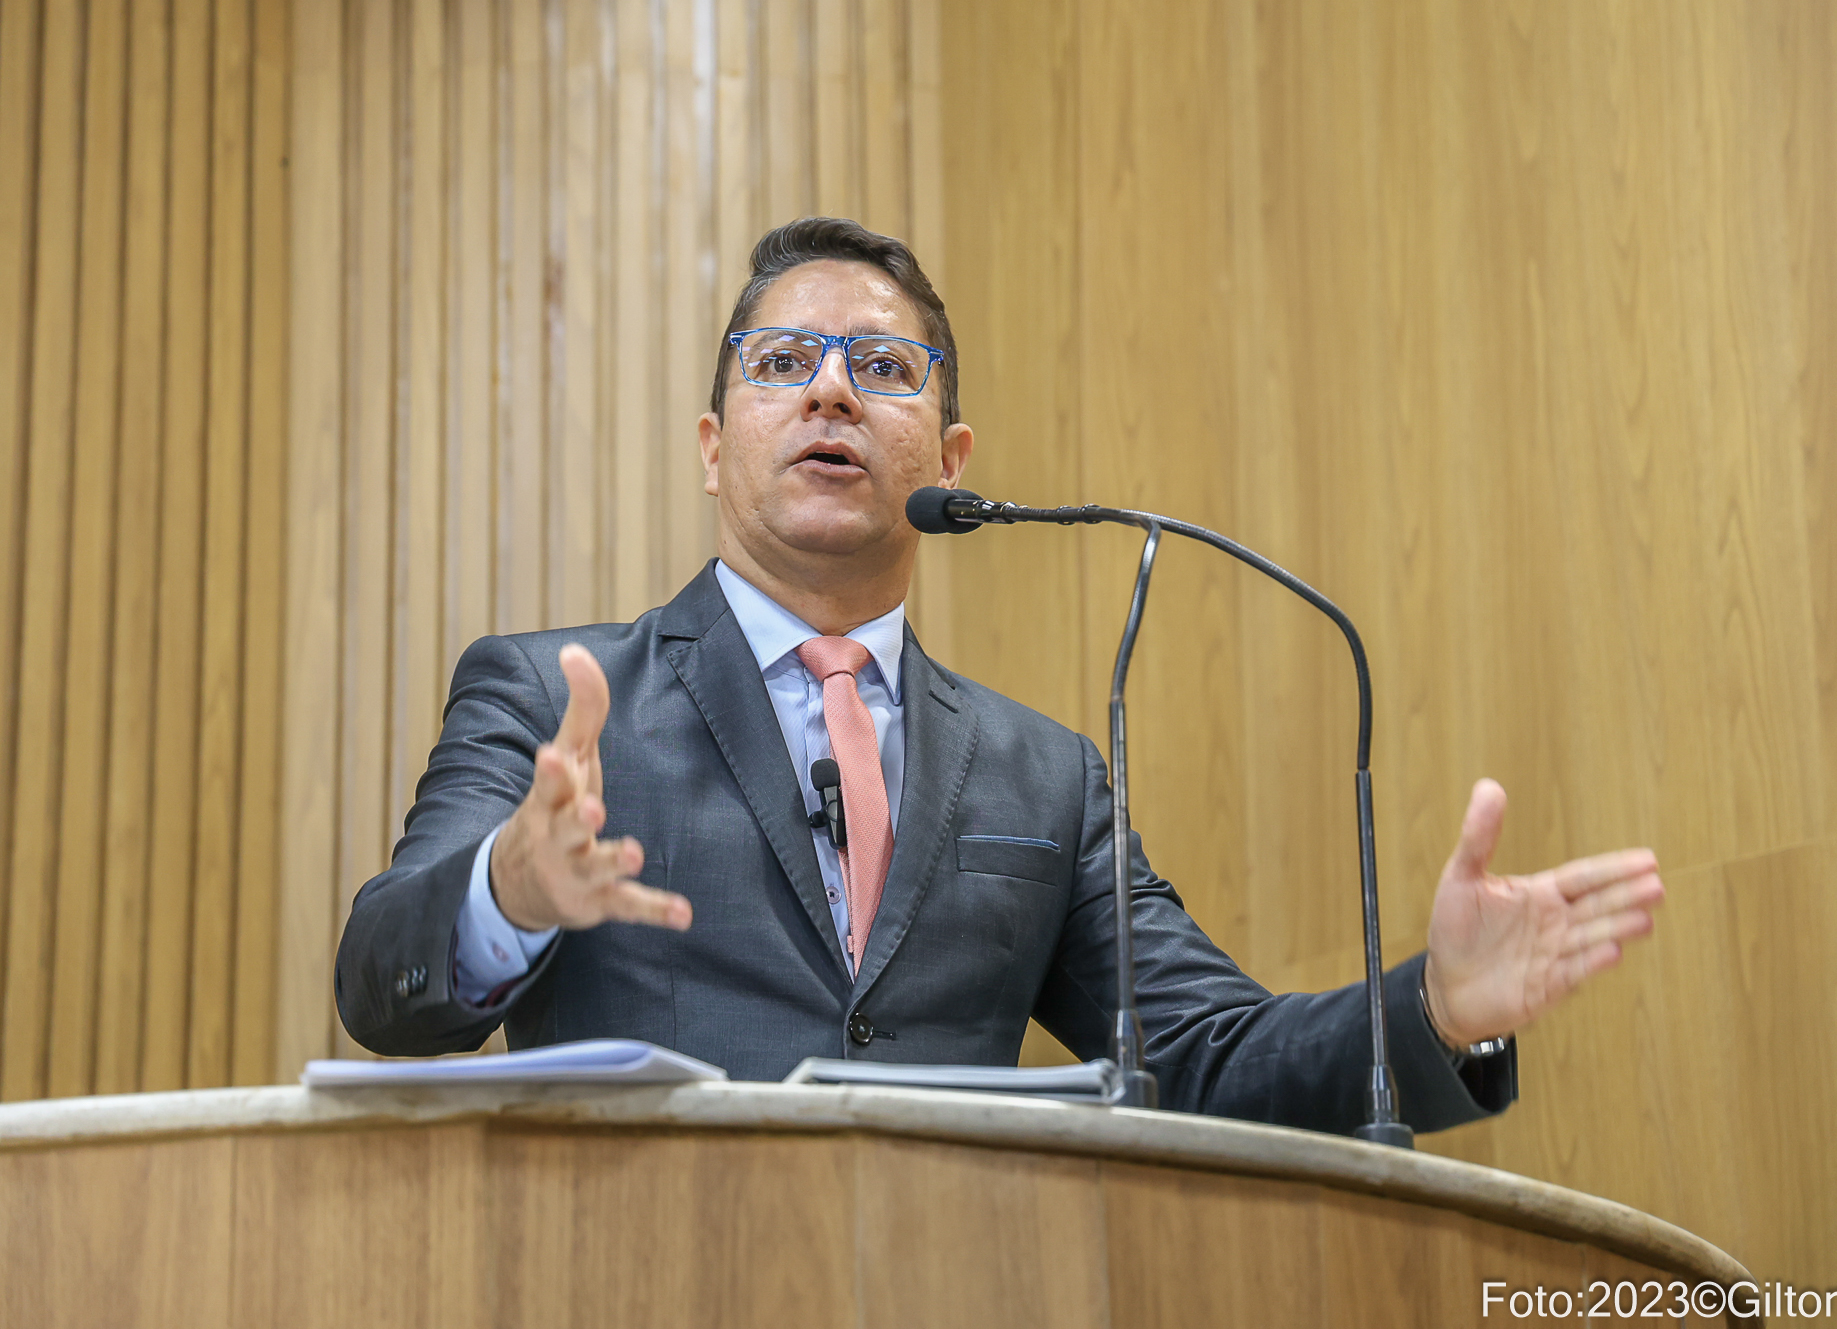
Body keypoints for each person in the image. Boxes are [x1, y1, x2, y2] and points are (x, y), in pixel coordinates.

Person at [335, 217, 1663, 1135]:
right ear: (712, 443)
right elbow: (377, 984)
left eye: (884, 367)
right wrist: (508, 888)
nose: (832, 393)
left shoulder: (1044, 777)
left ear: (953, 457)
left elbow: (1203, 1057)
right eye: (783, 363)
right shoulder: (552, 699)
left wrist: (1434, 1007)